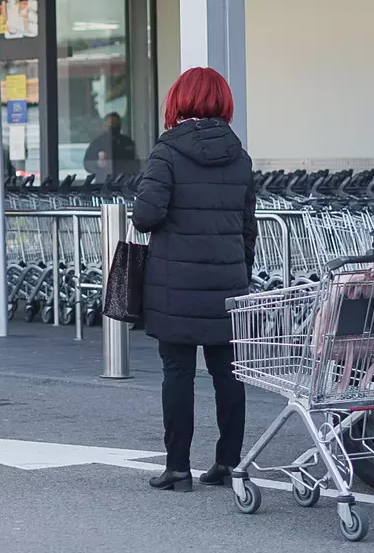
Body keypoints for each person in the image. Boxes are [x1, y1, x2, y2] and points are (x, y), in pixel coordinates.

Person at [131, 67, 255, 492]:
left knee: (178, 372)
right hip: (227, 283)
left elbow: (146, 216)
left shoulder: (167, 151)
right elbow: (248, 227)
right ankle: (228, 463)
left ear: (179, 101)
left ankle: (178, 468)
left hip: (175, 286)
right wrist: (240, 275)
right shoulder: (240, 156)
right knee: (228, 374)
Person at [82, 112, 138, 179]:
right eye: (111, 124)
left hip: (124, 181)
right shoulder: (97, 143)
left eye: (117, 124)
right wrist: (97, 164)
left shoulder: (127, 141)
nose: (114, 127)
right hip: (104, 181)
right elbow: (87, 165)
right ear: (104, 126)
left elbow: (135, 163)